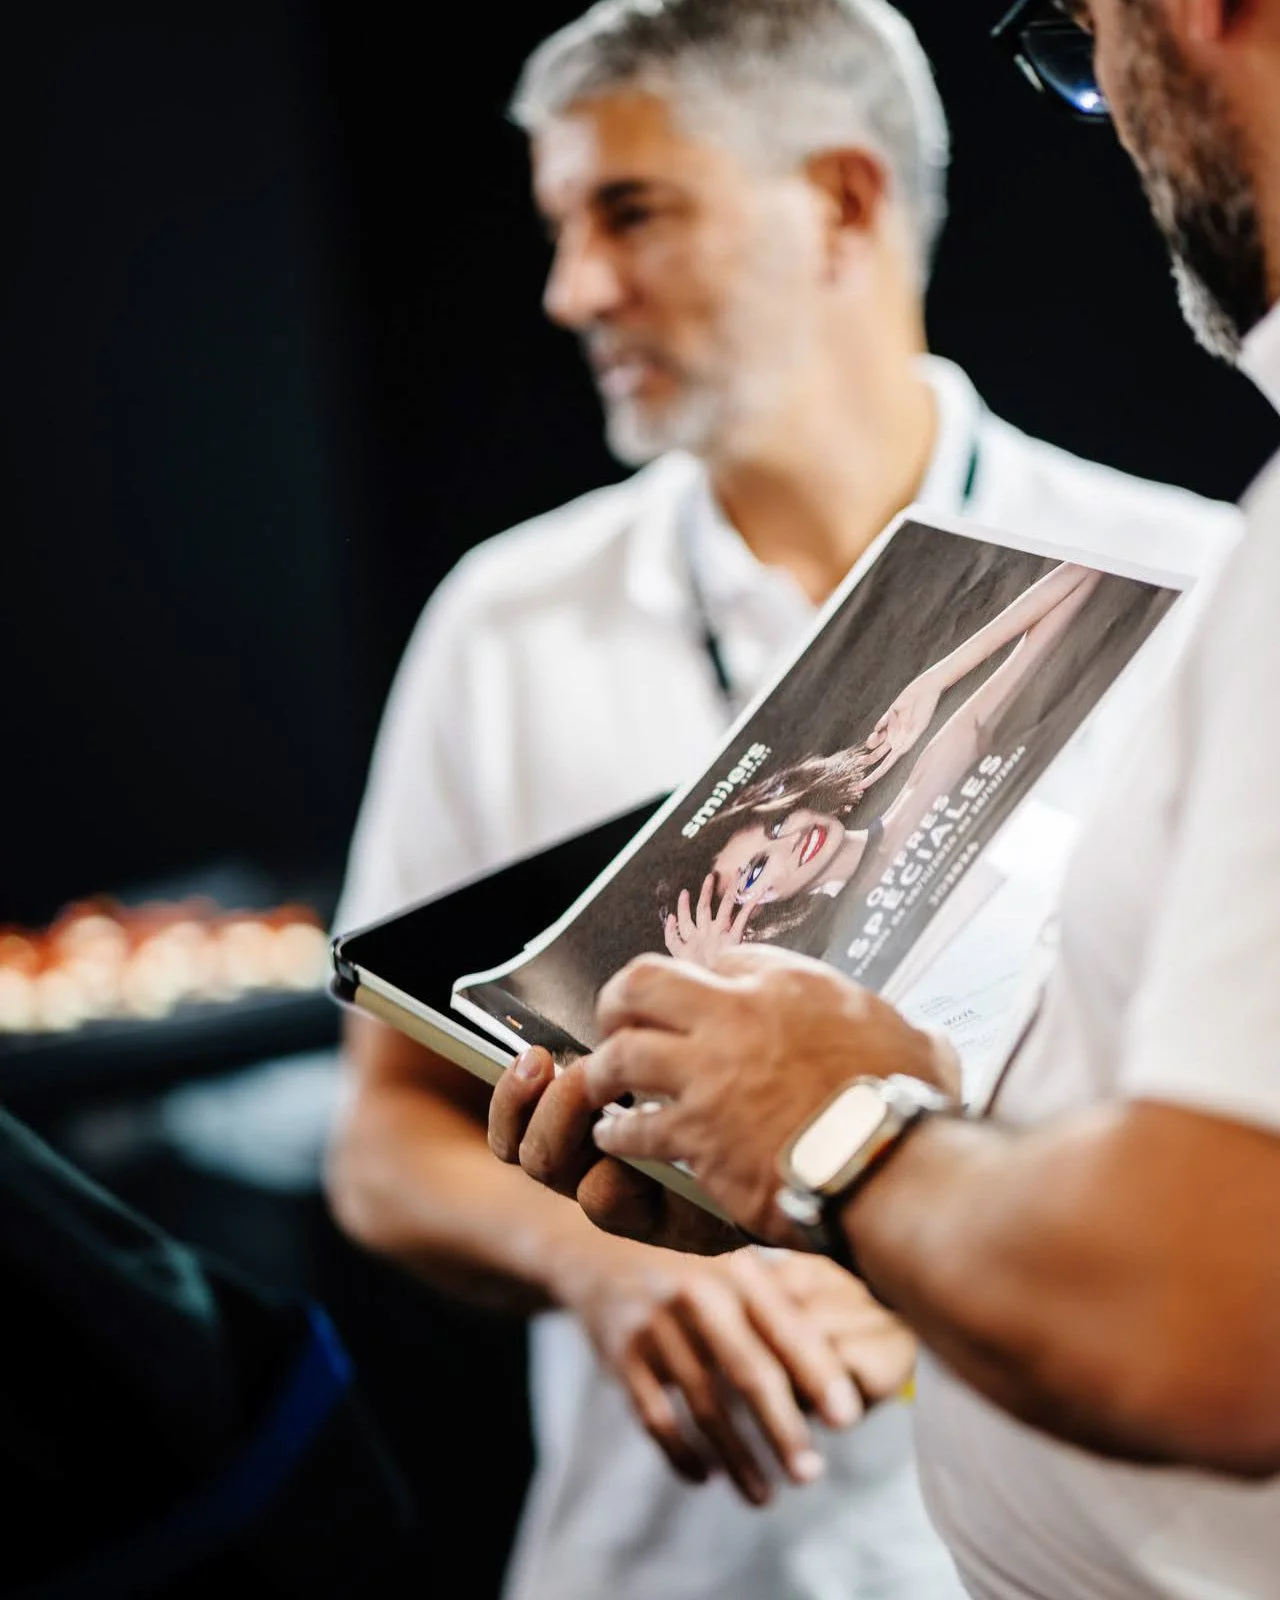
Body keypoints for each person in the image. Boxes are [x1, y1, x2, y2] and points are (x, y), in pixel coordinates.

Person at [326, 2, 1239, 1597]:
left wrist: (894, 1234)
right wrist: (596, 1272)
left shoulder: (1194, 587)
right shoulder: (506, 616)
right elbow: (381, 1143)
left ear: (843, 199)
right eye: (558, 227)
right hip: (647, 1563)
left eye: (632, 211)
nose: (572, 290)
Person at [663, 561, 1103, 964]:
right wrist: (724, 977)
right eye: (756, 869)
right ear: (751, 916)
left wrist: (937, 678)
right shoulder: (822, 964)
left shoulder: (928, 784)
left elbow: (1083, 577)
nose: (790, 840)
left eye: (777, 825)